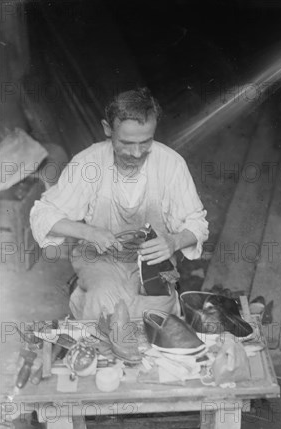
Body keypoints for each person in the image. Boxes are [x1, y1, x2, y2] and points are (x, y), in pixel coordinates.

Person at [30, 88, 209, 320]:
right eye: (127, 143)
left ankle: (84, 302)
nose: (136, 153)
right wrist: (89, 231)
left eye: (145, 143)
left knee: (155, 315)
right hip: (101, 260)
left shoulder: (171, 164)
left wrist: (174, 240)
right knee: (106, 305)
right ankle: (87, 299)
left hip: (152, 266)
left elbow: (198, 223)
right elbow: (42, 215)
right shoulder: (88, 164)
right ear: (107, 129)